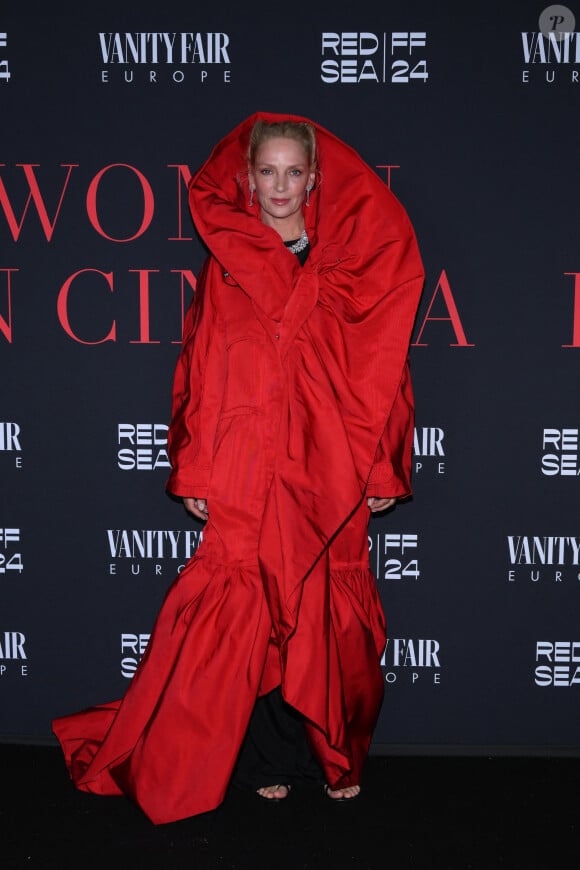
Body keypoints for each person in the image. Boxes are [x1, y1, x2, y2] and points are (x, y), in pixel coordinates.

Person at [53, 111, 424, 824]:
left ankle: (331, 753)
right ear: (246, 178)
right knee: (245, 615)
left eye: (293, 172)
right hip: (248, 467)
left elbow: (382, 374)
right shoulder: (226, 263)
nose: (280, 185)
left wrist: (381, 467)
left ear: (315, 179)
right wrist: (194, 468)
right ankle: (264, 760)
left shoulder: (347, 264)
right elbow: (200, 368)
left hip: (328, 472)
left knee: (324, 616)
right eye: (267, 171)